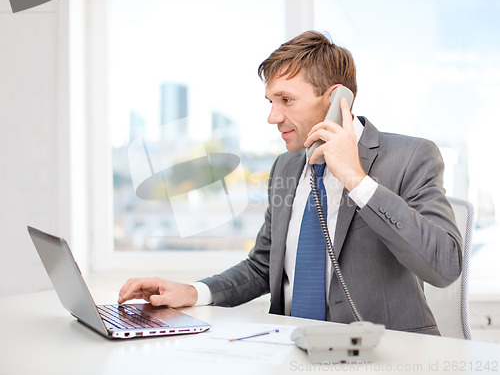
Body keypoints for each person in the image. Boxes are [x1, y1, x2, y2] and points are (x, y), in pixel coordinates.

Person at [118, 31, 462, 335]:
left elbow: (445, 266)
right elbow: (263, 265)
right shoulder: (286, 166)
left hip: (384, 356)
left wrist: (356, 179)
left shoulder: (411, 156)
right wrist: (193, 292)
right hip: (290, 350)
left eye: (286, 100)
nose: (273, 116)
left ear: (335, 99)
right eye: (271, 102)